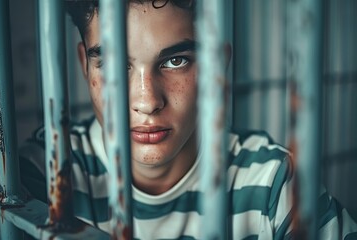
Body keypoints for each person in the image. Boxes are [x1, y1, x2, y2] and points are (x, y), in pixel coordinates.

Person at [19, 0, 357, 239]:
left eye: (176, 61)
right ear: (85, 65)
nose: (147, 102)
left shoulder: (272, 184)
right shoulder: (47, 172)